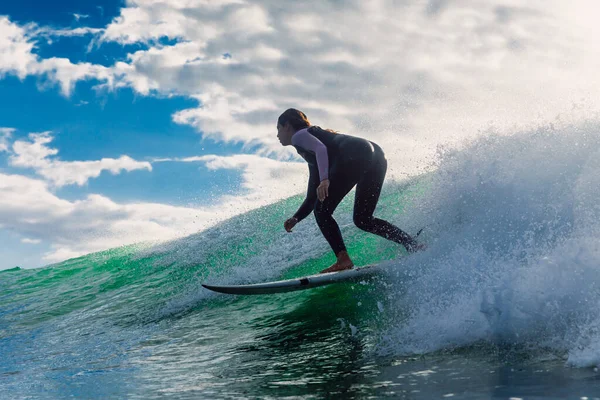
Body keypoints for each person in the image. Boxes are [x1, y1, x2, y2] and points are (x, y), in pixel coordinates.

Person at [277, 108, 424, 274]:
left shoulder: (299, 135)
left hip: (354, 153)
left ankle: (343, 260)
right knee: (363, 219)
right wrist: (297, 217)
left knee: (322, 210)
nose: (277, 135)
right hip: (374, 155)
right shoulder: (315, 150)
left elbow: (320, 150)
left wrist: (325, 180)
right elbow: (313, 192)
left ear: (287, 126)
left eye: (278, 129)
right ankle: (412, 244)